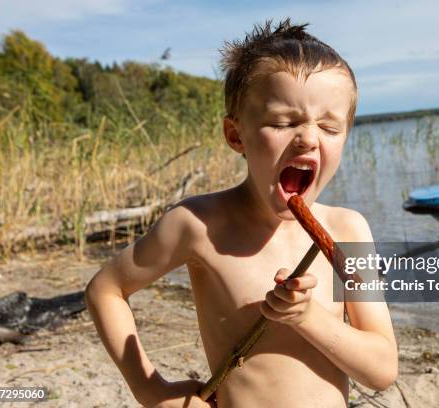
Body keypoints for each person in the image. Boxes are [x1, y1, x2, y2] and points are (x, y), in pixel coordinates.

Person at [84, 18, 398, 408]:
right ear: (236, 136)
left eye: (330, 128)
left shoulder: (347, 229)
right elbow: (106, 289)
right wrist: (151, 389)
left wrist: (308, 318)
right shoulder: (198, 224)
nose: (309, 138)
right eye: (284, 122)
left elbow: (381, 370)